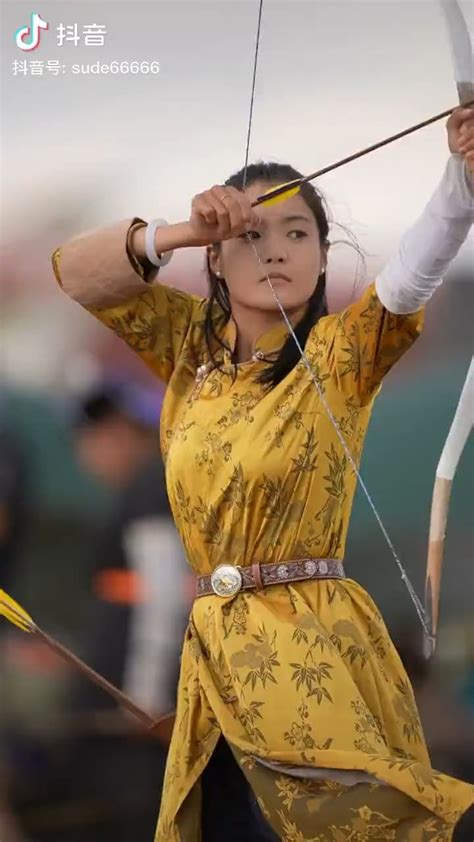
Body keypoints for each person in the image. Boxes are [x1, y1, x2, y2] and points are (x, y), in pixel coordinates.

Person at [50, 108, 474, 840]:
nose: (275, 251)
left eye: (297, 234)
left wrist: (461, 178)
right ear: (218, 257)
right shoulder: (187, 346)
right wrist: (180, 232)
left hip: (312, 648)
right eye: (251, 235)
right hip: (212, 662)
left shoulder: (343, 353)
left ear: (321, 254)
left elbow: (413, 274)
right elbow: (75, 273)